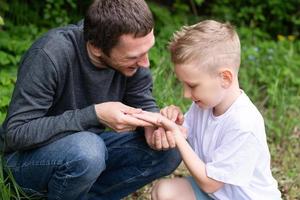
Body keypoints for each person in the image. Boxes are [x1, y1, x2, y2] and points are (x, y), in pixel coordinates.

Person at [0, 0, 181, 199]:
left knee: (170, 152)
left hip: (86, 151)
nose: (145, 62)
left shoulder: (135, 61)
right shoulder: (50, 55)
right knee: (88, 150)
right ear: (96, 47)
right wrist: (94, 115)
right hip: (24, 161)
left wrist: (153, 126)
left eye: (148, 50)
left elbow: (142, 100)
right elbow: (16, 133)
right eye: (133, 57)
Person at [134, 20, 282, 199]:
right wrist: (173, 122)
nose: (186, 94)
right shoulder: (204, 105)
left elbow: (210, 183)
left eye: (192, 85)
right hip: (215, 195)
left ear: (225, 78)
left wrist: (177, 136)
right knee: (163, 191)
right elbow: (184, 132)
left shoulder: (244, 123)